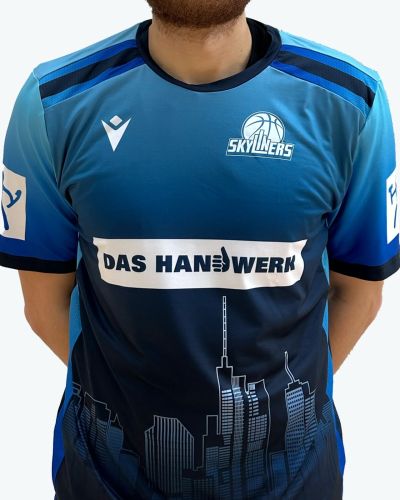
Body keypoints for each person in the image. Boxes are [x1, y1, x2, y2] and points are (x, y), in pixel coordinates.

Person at [0, 0, 398, 498]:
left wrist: (271, 406)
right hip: (103, 480)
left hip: (297, 482)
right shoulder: (54, 103)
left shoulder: (350, 102)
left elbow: (360, 293)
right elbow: (43, 304)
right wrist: (131, 401)